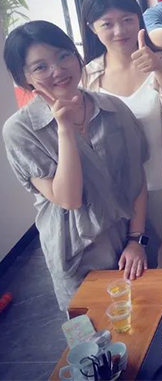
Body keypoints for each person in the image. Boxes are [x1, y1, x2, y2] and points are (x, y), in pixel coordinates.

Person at [3, 21, 148, 310]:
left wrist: (137, 240)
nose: (58, 70)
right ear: (24, 78)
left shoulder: (114, 108)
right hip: (76, 257)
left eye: (63, 56)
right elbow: (68, 199)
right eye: (40, 67)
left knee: (142, 322)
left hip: (127, 246)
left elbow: (137, 180)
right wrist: (64, 130)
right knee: (91, 333)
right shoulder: (20, 130)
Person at [81, 0, 162, 268]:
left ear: (139, 19)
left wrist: (159, 68)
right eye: (107, 24)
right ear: (92, 28)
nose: (119, 31)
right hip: (128, 195)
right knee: (150, 268)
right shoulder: (88, 78)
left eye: (127, 19)